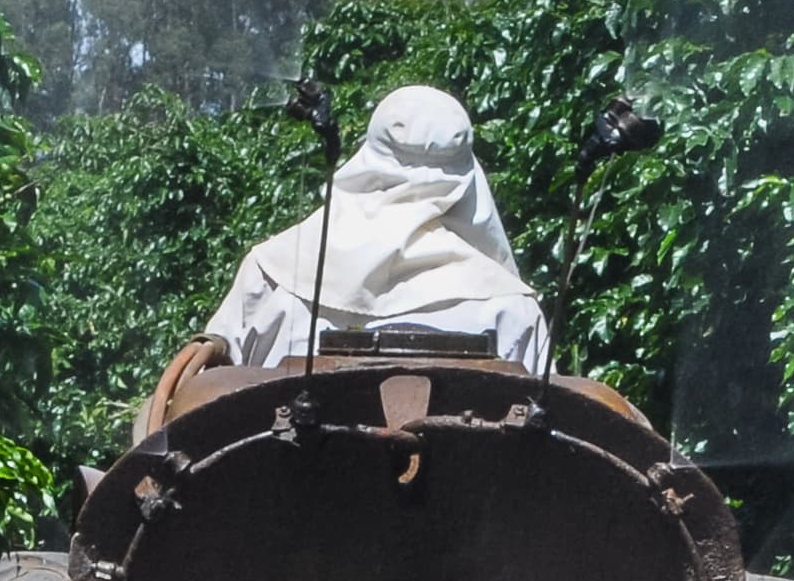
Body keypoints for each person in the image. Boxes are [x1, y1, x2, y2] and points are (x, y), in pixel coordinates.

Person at [202, 85, 553, 373]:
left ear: (368, 155)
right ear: (466, 175)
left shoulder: (272, 273)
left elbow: (202, 394)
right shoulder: (510, 308)